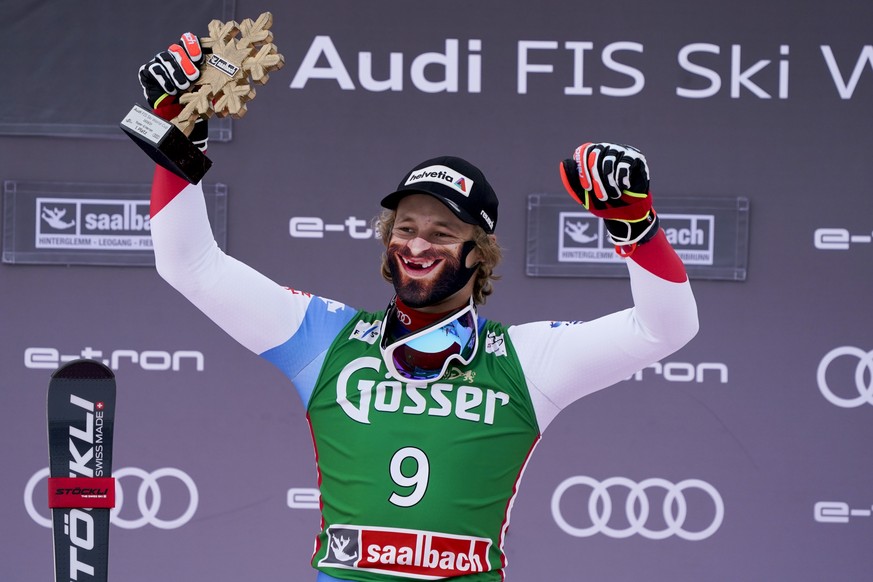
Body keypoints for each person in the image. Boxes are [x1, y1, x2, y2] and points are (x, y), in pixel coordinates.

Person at [139, 35, 698, 582]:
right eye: (404, 228)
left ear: (480, 252)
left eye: (442, 231)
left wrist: (636, 228)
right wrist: (179, 129)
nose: (417, 244)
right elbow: (189, 265)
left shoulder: (525, 362)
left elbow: (664, 328)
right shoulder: (327, 340)